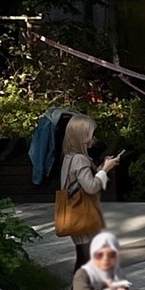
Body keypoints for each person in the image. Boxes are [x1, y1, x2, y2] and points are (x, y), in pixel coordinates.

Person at [58, 114, 119, 267]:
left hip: (74, 213)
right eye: (91, 135)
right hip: (83, 215)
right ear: (81, 137)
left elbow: (81, 181)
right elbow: (91, 187)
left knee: (84, 259)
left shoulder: (69, 157)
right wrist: (105, 170)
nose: (94, 139)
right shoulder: (80, 159)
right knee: (87, 262)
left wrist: (101, 168)